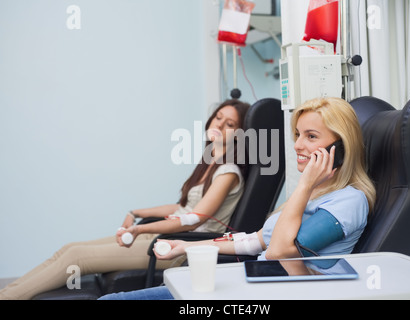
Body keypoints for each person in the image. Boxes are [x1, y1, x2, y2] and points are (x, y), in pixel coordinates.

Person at [98, 96, 376, 300]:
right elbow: (254, 240)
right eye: (297, 134)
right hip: (255, 280)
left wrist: (304, 185)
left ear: (340, 148)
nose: (298, 145)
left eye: (311, 136)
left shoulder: (348, 202)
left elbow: (279, 252)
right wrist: (185, 246)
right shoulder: (313, 192)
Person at [0, 99, 251, 300]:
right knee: (69, 248)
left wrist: (141, 228)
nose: (219, 125)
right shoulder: (210, 162)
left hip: (179, 248)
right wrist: (136, 212)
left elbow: (193, 219)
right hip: (168, 237)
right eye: (218, 117)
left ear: (239, 135)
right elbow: (182, 206)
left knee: (77, 256)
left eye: (229, 124)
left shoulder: (227, 172)